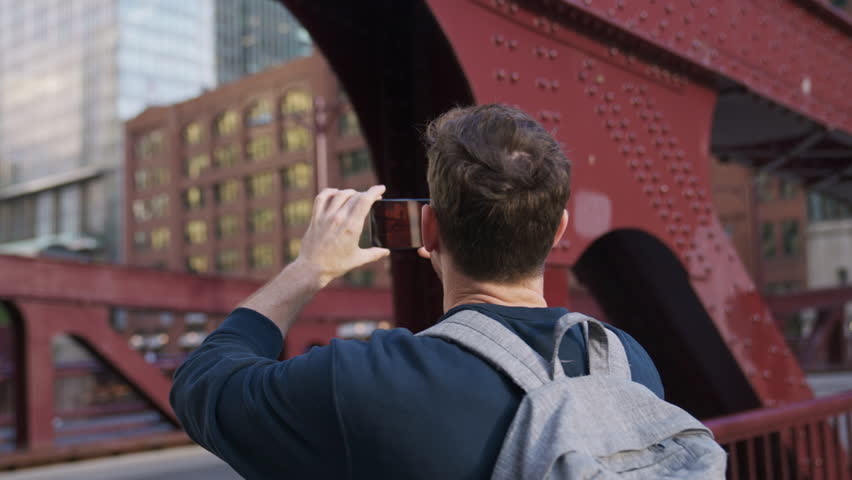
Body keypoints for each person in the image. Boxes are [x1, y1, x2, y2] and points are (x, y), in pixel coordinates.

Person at [170, 104, 664, 479]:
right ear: (558, 230)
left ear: (429, 230)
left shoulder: (366, 382)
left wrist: (309, 269)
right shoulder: (628, 363)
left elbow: (202, 384)